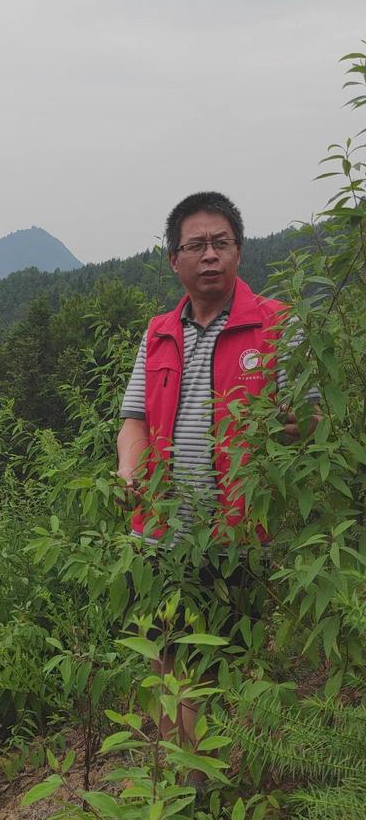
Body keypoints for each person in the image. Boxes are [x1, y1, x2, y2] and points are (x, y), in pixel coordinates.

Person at [116, 190, 310, 755]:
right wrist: (129, 470)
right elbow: (134, 419)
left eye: (220, 243)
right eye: (195, 244)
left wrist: (301, 424)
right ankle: (179, 770)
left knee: (223, 659)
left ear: (239, 252)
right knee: (161, 653)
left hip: (237, 536)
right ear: (173, 259)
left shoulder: (278, 325)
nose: (209, 255)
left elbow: (312, 421)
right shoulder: (158, 333)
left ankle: (216, 779)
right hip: (155, 532)